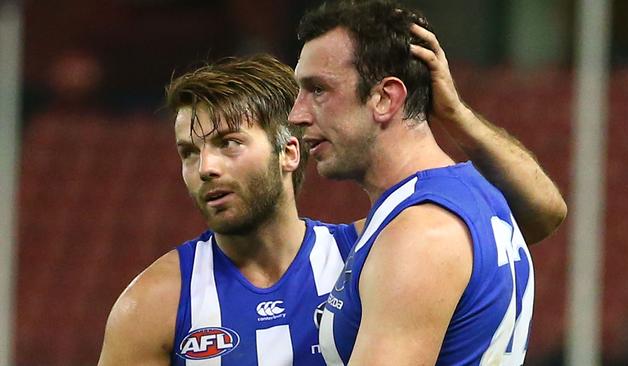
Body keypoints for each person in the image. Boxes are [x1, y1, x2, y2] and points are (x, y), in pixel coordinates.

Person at [98, 51, 564, 365]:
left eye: (229, 143)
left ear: (289, 152)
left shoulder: (374, 251)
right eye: (189, 152)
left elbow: (542, 212)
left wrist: (457, 114)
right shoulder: (153, 304)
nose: (206, 168)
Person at [288, 0, 564, 365]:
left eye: (318, 90)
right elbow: (549, 210)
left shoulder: (419, 234)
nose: (297, 113)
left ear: (385, 98)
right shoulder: (472, 193)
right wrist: (455, 115)